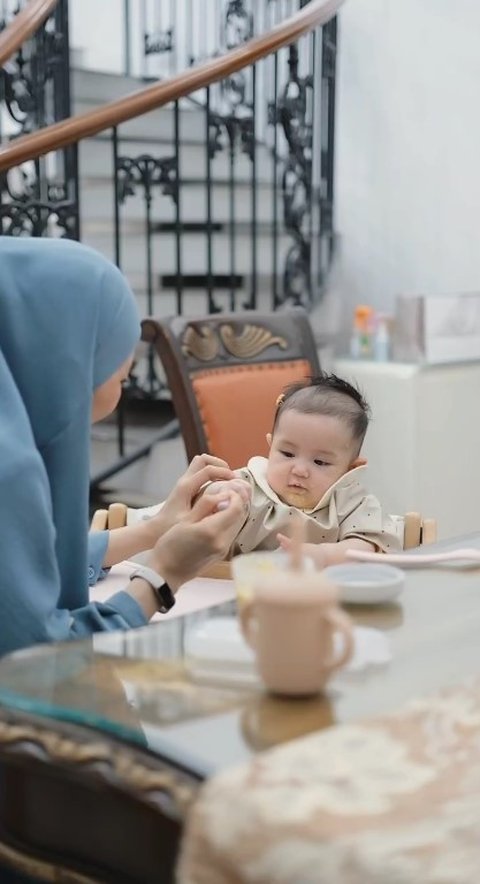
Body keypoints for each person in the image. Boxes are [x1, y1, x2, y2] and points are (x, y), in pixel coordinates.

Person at [0, 236, 249, 657]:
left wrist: (154, 529)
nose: (125, 377)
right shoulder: (10, 472)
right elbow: (41, 664)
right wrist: (163, 575)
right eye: (123, 372)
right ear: (67, 356)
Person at [204, 373, 403, 566]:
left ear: (350, 470)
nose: (299, 470)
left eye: (320, 462)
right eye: (288, 454)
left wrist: (323, 556)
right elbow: (198, 504)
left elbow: (369, 548)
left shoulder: (351, 503)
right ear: (270, 446)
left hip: (319, 593)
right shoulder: (249, 485)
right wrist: (217, 495)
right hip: (236, 588)